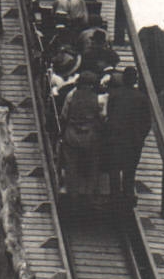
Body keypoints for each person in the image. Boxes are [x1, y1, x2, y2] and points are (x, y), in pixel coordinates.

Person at [104, 68, 155, 211]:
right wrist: (140, 137)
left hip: (116, 139)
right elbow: (147, 122)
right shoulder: (142, 98)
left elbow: (110, 116)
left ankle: (114, 199)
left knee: (114, 170)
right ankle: (128, 199)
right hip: (133, 142)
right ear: (135, 81)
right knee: (129, 171)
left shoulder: (114, 95)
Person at [60, 70, 106, 197]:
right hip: (91, 136)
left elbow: (64, 115)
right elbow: (102, 117)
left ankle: (72, 195)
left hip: (72, 135)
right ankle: (90, 194)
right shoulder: (99, 99)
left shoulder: (71, 95)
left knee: (71, 166)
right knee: (93, 164)